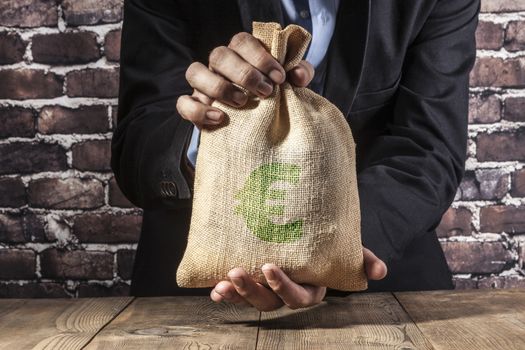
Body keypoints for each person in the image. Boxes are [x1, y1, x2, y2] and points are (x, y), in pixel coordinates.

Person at [111, 0, 480, 311]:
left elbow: (429, 147)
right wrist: (208, 128)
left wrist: (334, 254)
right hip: (195, 297)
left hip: (382, 279)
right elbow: (136, 148)